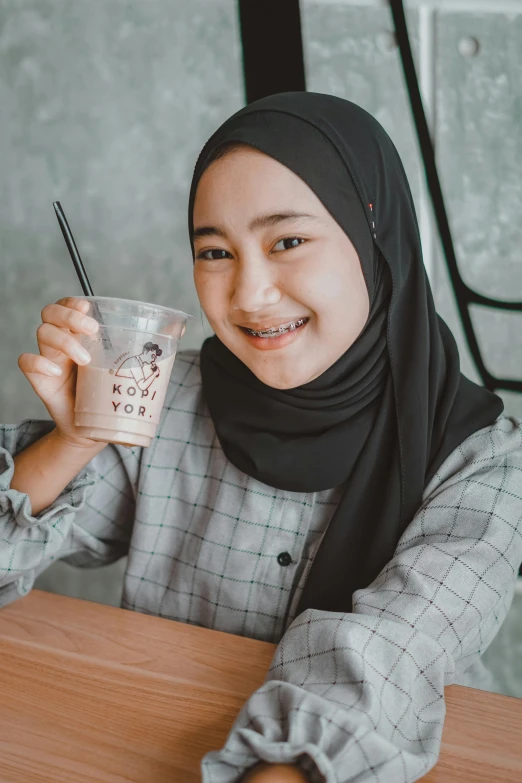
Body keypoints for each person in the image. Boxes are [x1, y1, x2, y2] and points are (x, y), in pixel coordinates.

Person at [3, 93, 522, 783]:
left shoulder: (481, 459)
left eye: (287, 241)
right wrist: (74, 437)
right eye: (215, 250)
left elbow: (391, 654)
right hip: (157, 735)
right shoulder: (158, 399)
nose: (248, 294)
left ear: (374, 237)